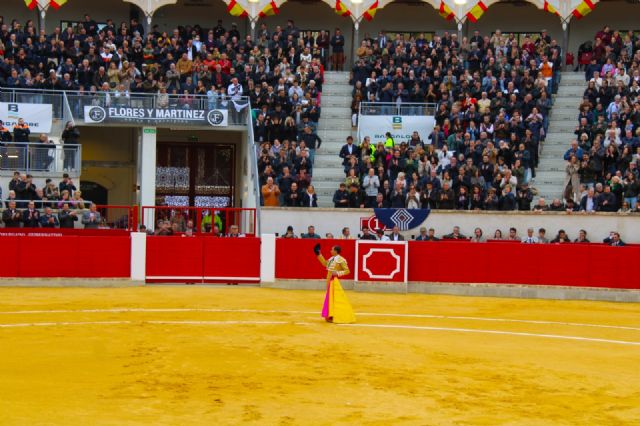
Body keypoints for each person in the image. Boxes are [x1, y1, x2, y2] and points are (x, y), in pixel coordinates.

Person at [313, 243, 355, 324]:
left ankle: (333, 315)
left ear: (336, 251)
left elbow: (347, 271)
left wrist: (338, 273)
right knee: (330, 298)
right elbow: (325, 264)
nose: (330, 250)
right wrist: (318, 254)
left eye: (332, 249)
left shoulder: (341, 260)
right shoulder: (332, 258)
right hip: (329, 279)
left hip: (334, 281)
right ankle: (331, 315)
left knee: (333, 298)